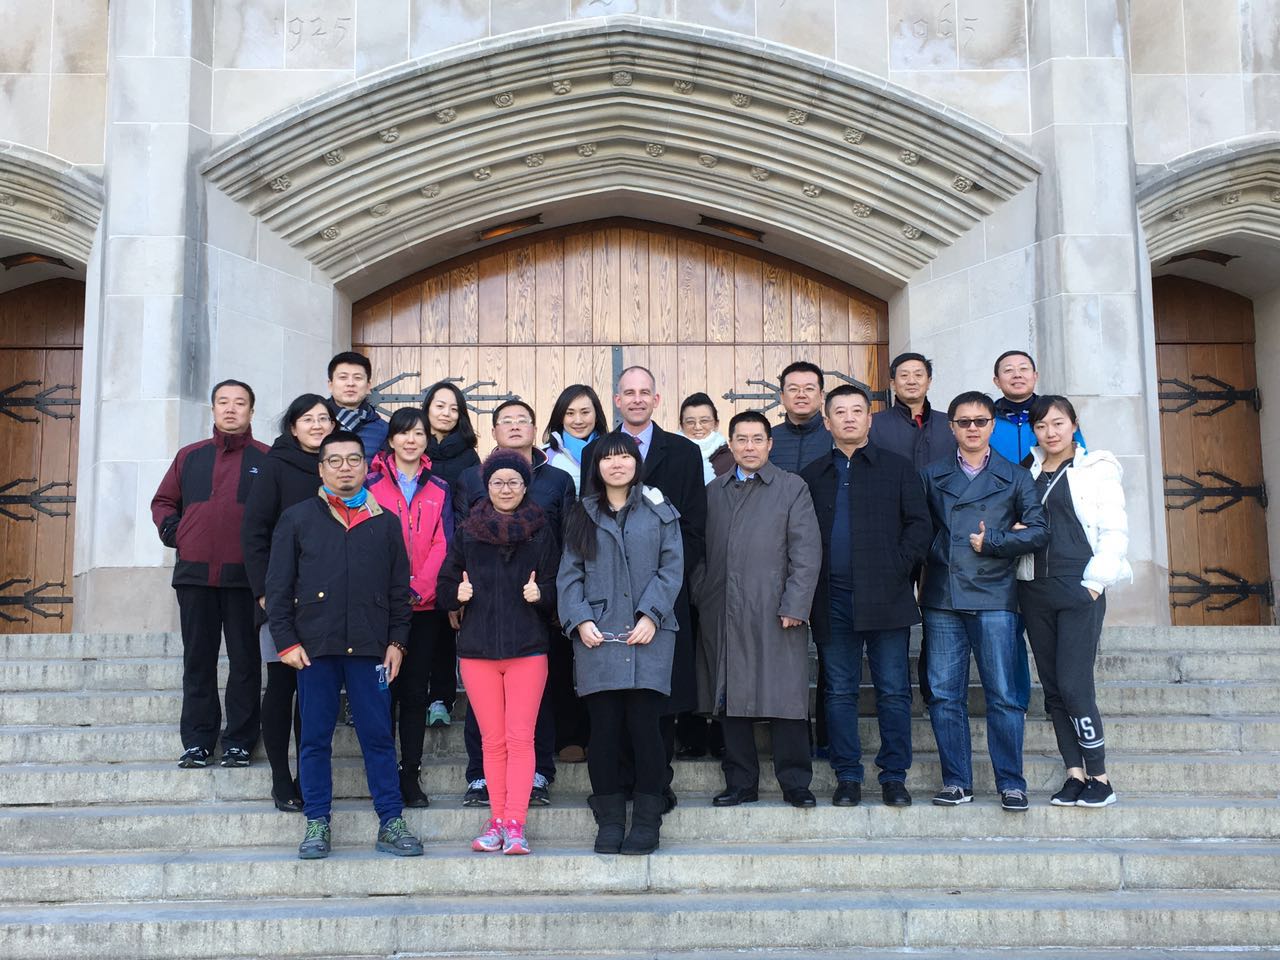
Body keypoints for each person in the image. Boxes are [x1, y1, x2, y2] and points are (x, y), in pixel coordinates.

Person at [265, 430, 423, 860]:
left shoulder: (384, 521)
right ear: (321, 469)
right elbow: (278, 588)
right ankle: (317, 821)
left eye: (353, 460)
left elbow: (399, 591)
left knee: (378, 737)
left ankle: (390, 821)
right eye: (334, 461)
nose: (345, 468)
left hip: (371, 648)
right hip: (313, 648)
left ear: (365, 466)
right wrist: (286, 641)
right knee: (314, 739)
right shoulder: (297, 519)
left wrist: (398, 641)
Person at [581, 366, 707, 810]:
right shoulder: (596, 451)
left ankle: (657, 783)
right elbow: (587, 520)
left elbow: (694, 527)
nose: (636, 399)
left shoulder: (684, 452)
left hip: (662, 597)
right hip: (607, 595)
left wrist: (660, 589)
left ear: (656, 399)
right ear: (617, 401)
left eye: (644, 392)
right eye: (628, 392)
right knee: (614, 696)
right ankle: (620, 782)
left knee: (659, 692)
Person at [802, 386, 932, 807]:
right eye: (840, 412)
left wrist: (897, 568)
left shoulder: (897, 468)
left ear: (869, 419)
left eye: (857, 411)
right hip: (831, 598)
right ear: (827, 422)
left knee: (893, 690)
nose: (849, 418)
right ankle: (847, 776)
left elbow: (919, 526)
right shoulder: (812, 474)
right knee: (839, 691)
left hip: (887, 596)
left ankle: (894, 776)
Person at [918, 392, 1048, 811]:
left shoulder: (1016, 476)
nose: (972, 428)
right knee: (944, 694)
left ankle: (1011, 783)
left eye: (980, 421)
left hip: (995, 594)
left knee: (1004, 694)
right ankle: (957, 781)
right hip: (942, 594)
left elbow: (1039, 531)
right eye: (964, 422)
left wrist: (994, 541)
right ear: (951, 428)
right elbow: (917, 529)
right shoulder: (930, 475)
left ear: (992, 425)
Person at [558, 433, 684, 854]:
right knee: (605, 732)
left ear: (636, 463)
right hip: (597, 637)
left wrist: (652, 614)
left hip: (650, 635)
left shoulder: (659, 511)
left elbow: (672, 568)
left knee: (646, 730)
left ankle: (647, 821)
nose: (617, 464)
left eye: (624, 456)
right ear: (596, 466)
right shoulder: (582, 514)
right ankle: (610, 820)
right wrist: (580, 620)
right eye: (607, 457)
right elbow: (569, 575)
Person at [436, 450, 561, 855]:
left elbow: (559, 586)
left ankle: (515, 824)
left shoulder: (541, 531)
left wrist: (542, 594)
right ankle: (496, 820)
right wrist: (457, 593)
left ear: (525, 487)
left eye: (513, 482)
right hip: (477, 651)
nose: (505, 489)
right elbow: (443, 586)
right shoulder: (468, 532)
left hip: (527, 649)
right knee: (492, 741)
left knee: (520, 738)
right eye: (497, 482)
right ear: (486, 486)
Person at [698, 411, 822, 808]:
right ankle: (740, 783)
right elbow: (698, 552)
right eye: (742, 439)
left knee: (785, 698)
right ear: (730, 445)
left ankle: (796, 782)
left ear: (770, 444)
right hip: (723, 609)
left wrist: (796, 604)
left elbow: (806, 552)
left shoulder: (791, 487)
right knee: (731, 696)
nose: (749, 447)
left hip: (776, 610)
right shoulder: (714, 492)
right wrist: (703, 593)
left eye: (757, 439)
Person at [454, 399, 574, 807]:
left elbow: (565, 547)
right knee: (485, 713)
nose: (515, 425)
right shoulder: (470, 482)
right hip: (482, 619)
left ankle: (538, 774)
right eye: (506, 420)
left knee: (535, 704)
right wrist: (456, 596)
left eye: (523, 419)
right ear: (493, 431)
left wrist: (550, 598)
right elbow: (455, 556)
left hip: (533, 615)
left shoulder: (556, 481)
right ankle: (481, 777)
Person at [1018, 396, 1131, 808]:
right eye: (1041, 426)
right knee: (1053, 690)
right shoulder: (1027, 472)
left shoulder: (1095, 468)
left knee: (1073, 684)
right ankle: (1074, 773)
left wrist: (1095, 584)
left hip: (1079, 586)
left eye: (1058, 423)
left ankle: (1100, 776)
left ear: (1073, 424)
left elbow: (1114, 529)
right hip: (1033, 589)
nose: (1050, 432)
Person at [151, 379, 269, 770]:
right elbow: (164, 501)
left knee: (245, 661)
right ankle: (198, 742)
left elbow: (277, 514)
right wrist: (176, 533)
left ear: (251, 411)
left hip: (245, 578)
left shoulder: (266, 459)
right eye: (223, 402)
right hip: (195, 576)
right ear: (213, 409)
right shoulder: (190, 456)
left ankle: (239, 742)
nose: (231, 409)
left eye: (239, 403)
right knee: (198, 660)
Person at [241, 393, 333, 811]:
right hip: (280, 597)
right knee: (281, 686)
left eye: (323, 418)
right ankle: (281, 777)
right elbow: (254, 532)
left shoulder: (339, 465)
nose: (317, 425)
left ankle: (304, 776)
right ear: (293, 427)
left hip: (326, 600)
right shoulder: (275, 466)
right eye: (307, 419)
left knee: (311, 692)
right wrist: (264, 593)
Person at [364, 407, 452, 808]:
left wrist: (418, 589)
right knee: (382, 694)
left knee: (416, 694)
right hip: (379, 607)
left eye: (418, 433)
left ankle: (410, 774)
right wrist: (393, 590)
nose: (411, 440)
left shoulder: (440, 487)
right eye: (403, 433)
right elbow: (365, 541)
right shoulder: (370, 484)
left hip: (423, 608)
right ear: (391, 439)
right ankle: (383, 776)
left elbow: (443, 543)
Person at [421, 380, 481, 727]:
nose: (446, 413)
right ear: (427, 408)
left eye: (454, 408)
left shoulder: (468, 456)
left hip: (452, 548)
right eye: (439, 406)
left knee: (444, 626)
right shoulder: (413, 445)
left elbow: (470, 508)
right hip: (413, 551)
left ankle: (441, 698)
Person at [990, 350, 1085, 466]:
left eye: (1023, 368)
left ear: (1035, 376)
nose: (1017, 375)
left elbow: (1081, 456)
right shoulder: (986, 418)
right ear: (997, 381)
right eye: (1008, 370)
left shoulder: (1057, 412)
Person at [869, 352, 957, 469]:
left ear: (929, 382)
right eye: (904, 375)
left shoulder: (950, 424)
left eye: (918, 375)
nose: (911, 381)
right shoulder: (873, 424)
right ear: (893, 384)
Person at [544, 384, 608, 495]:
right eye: (570, 413)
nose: (578, 421)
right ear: (561, 417)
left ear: (596, 416)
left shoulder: (613, 450)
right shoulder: (545, 456)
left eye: (585, 412)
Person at [768, 361, 832, 474]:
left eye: (809, 389)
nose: (801, 395)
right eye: (793, 389)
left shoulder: (836, 435)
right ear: (782, 397)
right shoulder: (768, 439)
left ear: (822, 396)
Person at [325, 351, 387, 463]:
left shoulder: (383, 430)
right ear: (330, 384)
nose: (350, 383)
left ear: (368, 386)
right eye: (343, 377)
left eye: (357, 378)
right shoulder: (315, 423)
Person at [678, 392, 734, 484]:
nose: (697, 427)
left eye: (704, 421)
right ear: (681, 425)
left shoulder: (731, 461)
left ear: (716, 424)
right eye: (690, 422)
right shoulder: (669, 457)